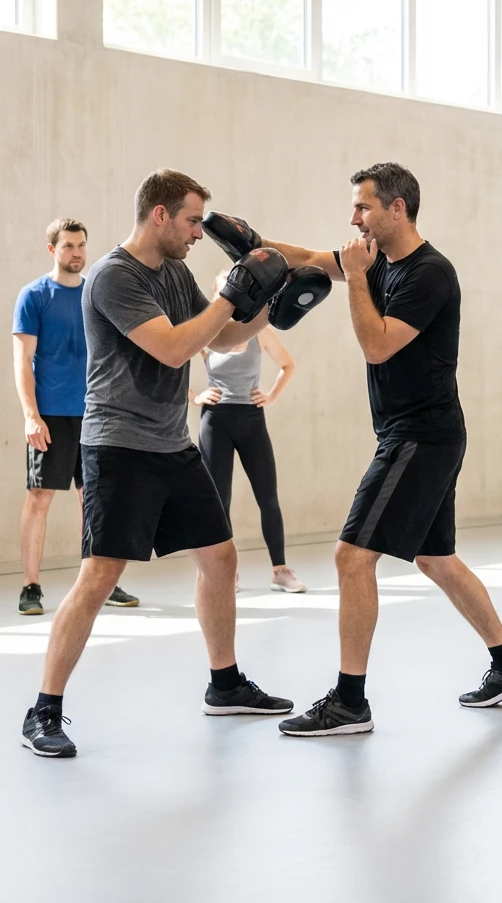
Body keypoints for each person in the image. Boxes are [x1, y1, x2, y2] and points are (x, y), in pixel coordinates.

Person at [202, 162, 502, 737]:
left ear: (396, 209)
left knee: (351, 557)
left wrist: (356, 279)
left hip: (420, 435)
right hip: (416, 431)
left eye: (362, 207)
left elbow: (378, 347)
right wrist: (258, 247)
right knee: (436, 557)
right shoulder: (375, 255)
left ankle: (349, 702)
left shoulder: (429, 274)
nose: (353, 217)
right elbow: (311, 256)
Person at [20, 169, 303, 759]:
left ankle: (224, 685)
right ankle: (43, 710)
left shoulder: (174, 271)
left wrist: (272, 306)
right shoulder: (112, 278)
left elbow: (219, 339)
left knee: (220, 557)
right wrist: (233, 288)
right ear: (160, 216)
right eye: (194, 220)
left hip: (172, 445)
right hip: (119, 447)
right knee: (101, 575)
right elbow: (174, 346)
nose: (200, 232)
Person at [13, 218, 138, 616]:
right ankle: (31, 586)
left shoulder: (95, 294)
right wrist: (32, 416)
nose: (78, 253)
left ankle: (100, 582)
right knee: (39, 498)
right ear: (53, 250)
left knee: (96, 501)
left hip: (98, 415)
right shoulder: (34, 296)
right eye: (68, 246)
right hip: (50, 416)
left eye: (82, 245)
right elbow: (23, 363)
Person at [192, 274, 306, 593]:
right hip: (215, 421)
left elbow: (287, 365)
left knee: (268, 497)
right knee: (220, 500)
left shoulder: (259, 331)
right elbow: (170, 364)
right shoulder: (208, 333)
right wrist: (195, 396)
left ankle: (281, 571)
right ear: (217, 296)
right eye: (225, 289)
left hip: (251, 419)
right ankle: (227, 573)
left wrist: (271, 395)